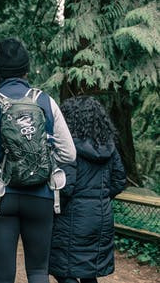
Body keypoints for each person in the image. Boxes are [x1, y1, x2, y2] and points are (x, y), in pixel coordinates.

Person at [0, 38, 76, 283]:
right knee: (37, 270)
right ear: (26, 69)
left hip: (1, 196)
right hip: (41, 195)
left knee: (3, 272)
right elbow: (69, 154)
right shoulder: (45, 100)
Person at [49, 96, 126, 283]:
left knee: (62, 269)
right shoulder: (109, 147)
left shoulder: (68, 148)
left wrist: (56, 206)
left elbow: (65, 187)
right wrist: (100, 198)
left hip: (71, 217)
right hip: (101, 216)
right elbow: (119, 180)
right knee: (89, 271)